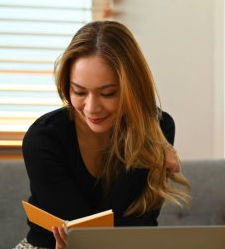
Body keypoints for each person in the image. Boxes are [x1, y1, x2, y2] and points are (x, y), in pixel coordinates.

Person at [14, 21, 190, 249]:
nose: (91, 107)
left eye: (108, 93)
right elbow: (88, 236)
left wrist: (148, 152)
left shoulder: (159, 127)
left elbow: (142, 222)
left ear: (132, 88)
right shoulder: (43, 140)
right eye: (79, 91)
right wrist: (150, 159)